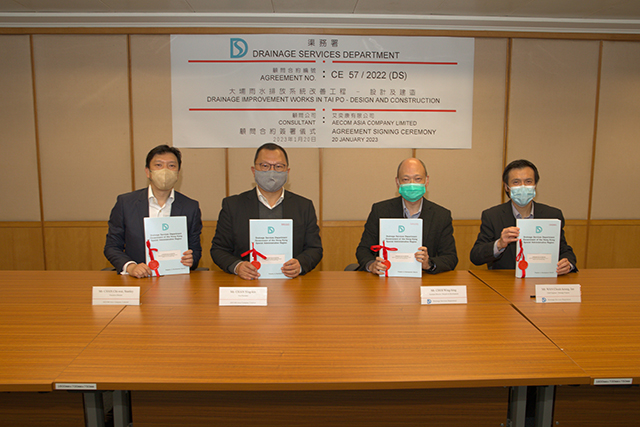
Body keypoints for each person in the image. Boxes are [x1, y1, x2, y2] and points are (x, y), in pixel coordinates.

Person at [211, 143, 322, 280]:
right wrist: (237, 266)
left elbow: (314, 249)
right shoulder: (233, 206)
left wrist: (300, 265)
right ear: (254, 170)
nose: (272, 171)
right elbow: (219, 249)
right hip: (246, 285)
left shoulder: (304, 206)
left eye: (278, 166)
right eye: (265, 166)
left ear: (287, 171)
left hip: (290, 285)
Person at [104, 145, 203, 278]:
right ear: (148, 172)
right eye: (158, 165)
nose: (165, 171)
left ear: (178, 173)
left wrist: (191, 259)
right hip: (137, 279)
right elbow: (112, 246)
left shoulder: (190, 207)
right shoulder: (126, 203)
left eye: (171, 166)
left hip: (175, 280)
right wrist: (131, 266)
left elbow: (195, 250)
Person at [470, 159, 577, 274]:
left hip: (543, 279)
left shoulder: (552, 215)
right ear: (507, 187)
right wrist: (499, 244)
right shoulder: (492, 216)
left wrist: (568, 264)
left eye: (528, 181)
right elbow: (476, 256)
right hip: (505, 283)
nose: (523, 187)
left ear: (535, 185)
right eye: (516, 182)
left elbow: (564, 250)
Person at [356, 157, 458, 275]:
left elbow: (451, 258)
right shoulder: (380, 211)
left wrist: (429, 263)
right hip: (386, 280)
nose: (412, 184)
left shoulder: (441, 215)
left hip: (424, 281)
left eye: (418, 179)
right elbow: (363, 250)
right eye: (406, 179)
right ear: (397, 182)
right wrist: (371, 265)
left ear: (427, 180)